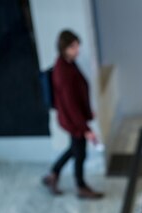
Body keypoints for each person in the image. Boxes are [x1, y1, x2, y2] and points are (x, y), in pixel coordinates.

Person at [42, 30, 103, 199]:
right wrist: (85, 129)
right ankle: (81, 187)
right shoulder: (64, 71)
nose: (77, 50)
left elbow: (77, 96)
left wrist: (87, 113)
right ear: (64, 48)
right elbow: (71, 105)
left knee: (75, 150)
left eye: (77, 45)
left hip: (73, 119)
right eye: (73, 47)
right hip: (73, 121)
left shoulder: (67, 63)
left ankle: (53, 175)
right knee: (80, 153)